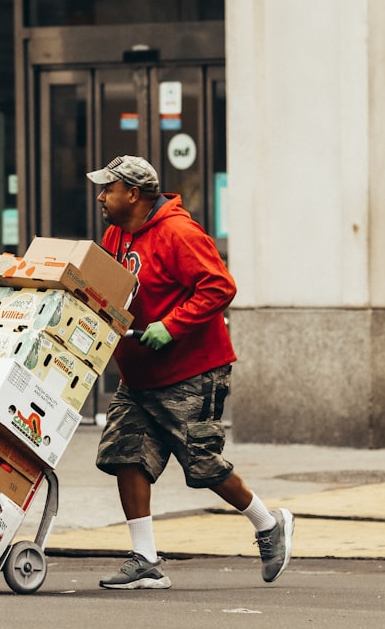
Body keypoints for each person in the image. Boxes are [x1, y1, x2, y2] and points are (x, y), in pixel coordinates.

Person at [86, 155, 293, 590]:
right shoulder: (115, 234)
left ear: (134, 193)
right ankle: (144, 559)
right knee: (126, 453)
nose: (101, 197)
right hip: (140, 375)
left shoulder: (179, 232)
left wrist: (171, 325)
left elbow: (220, 285)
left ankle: (267, 523)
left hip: (193, 372)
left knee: (201, 464)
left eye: (108, 189)